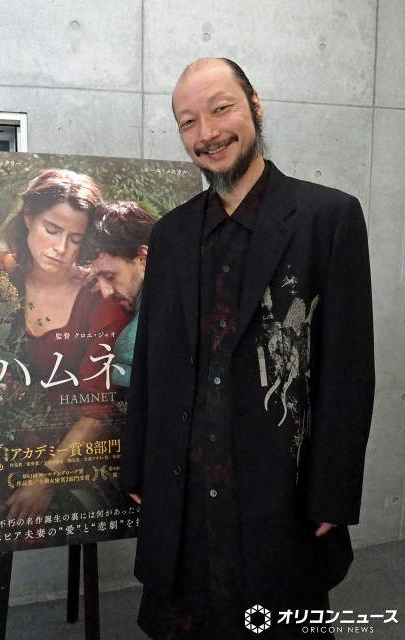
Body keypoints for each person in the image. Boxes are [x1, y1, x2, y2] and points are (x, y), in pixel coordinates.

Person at [119, 58, 375, 639]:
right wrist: (138, 464)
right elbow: (152, 360)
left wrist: (333, 489)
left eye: (221, 109)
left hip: (277, 484)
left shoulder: (327, 217)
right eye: (188, 121)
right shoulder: (171, 233)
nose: (206, 133)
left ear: (255, 107)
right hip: (183, 488)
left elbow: (348, 369)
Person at [0, 169, 129, 522]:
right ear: (29, 217)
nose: (61, 249)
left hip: (72, 458)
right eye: (52, 230)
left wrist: (47, 478)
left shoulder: (100, 300)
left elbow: (99, 407)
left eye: (75, 238)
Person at [80, 200, 156, 387]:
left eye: (110, 276)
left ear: (143, 259)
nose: (105, 293)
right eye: (97, 280)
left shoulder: (130, 348)